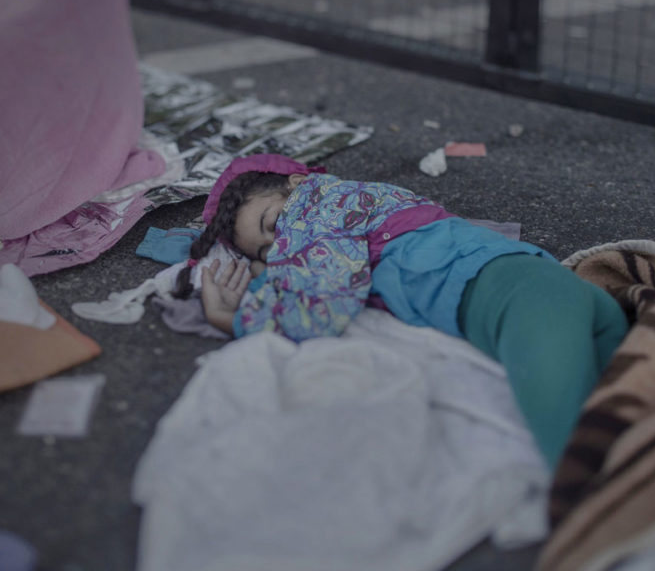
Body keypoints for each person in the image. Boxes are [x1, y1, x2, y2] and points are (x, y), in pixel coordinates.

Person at [174, 153, 629, 468]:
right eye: (267, 250)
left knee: (579, 472)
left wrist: (236, 317)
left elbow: (319, 311)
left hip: (524, 299)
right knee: (630, 433)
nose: (281, 247)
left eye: (272, 224)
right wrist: (270, 272)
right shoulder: (346, 215)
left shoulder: (323, 208)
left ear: (297, 184)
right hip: (539, 297)